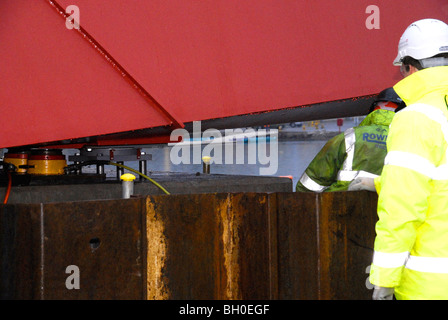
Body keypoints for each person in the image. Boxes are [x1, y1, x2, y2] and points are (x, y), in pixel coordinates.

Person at [369, 18, 448, 300]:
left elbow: (402, 208)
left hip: (431, 288)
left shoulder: (417, 119)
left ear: (409, 67)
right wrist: (380, 181)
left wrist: (384, 281)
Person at [295, 87, 404, 193]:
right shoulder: (409, 140)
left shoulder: (350, 137)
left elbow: (308, 186)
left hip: (341, 206)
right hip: (388, 209)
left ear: (374, 108)